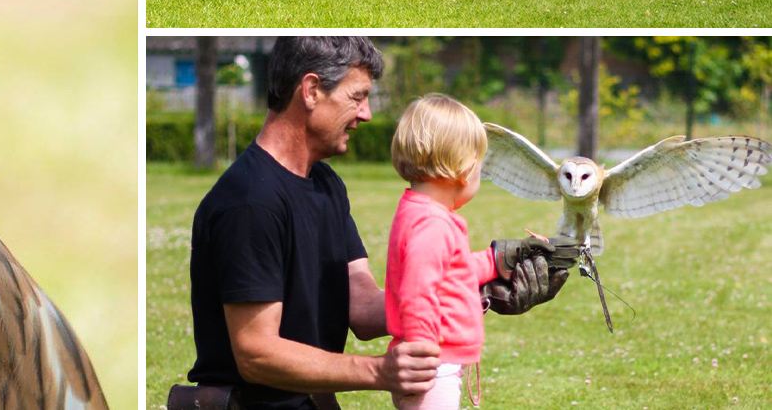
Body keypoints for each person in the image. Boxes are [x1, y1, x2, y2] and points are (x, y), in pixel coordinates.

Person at [184, 37, 570, 410]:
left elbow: (365, 310)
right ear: (311, 90)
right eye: (357, 97)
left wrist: (476, 288)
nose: (366, 113)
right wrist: (380, 371)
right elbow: (257, 354)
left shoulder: (325, 185)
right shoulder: (249, 203)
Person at [385, 94, 563, 410]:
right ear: (465, 169)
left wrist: (497, 260)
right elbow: (417, 294)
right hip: (431, 369)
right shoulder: (432, 224)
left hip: (436, 364)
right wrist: (421, 358)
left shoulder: (420, 212)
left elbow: (449, 270)